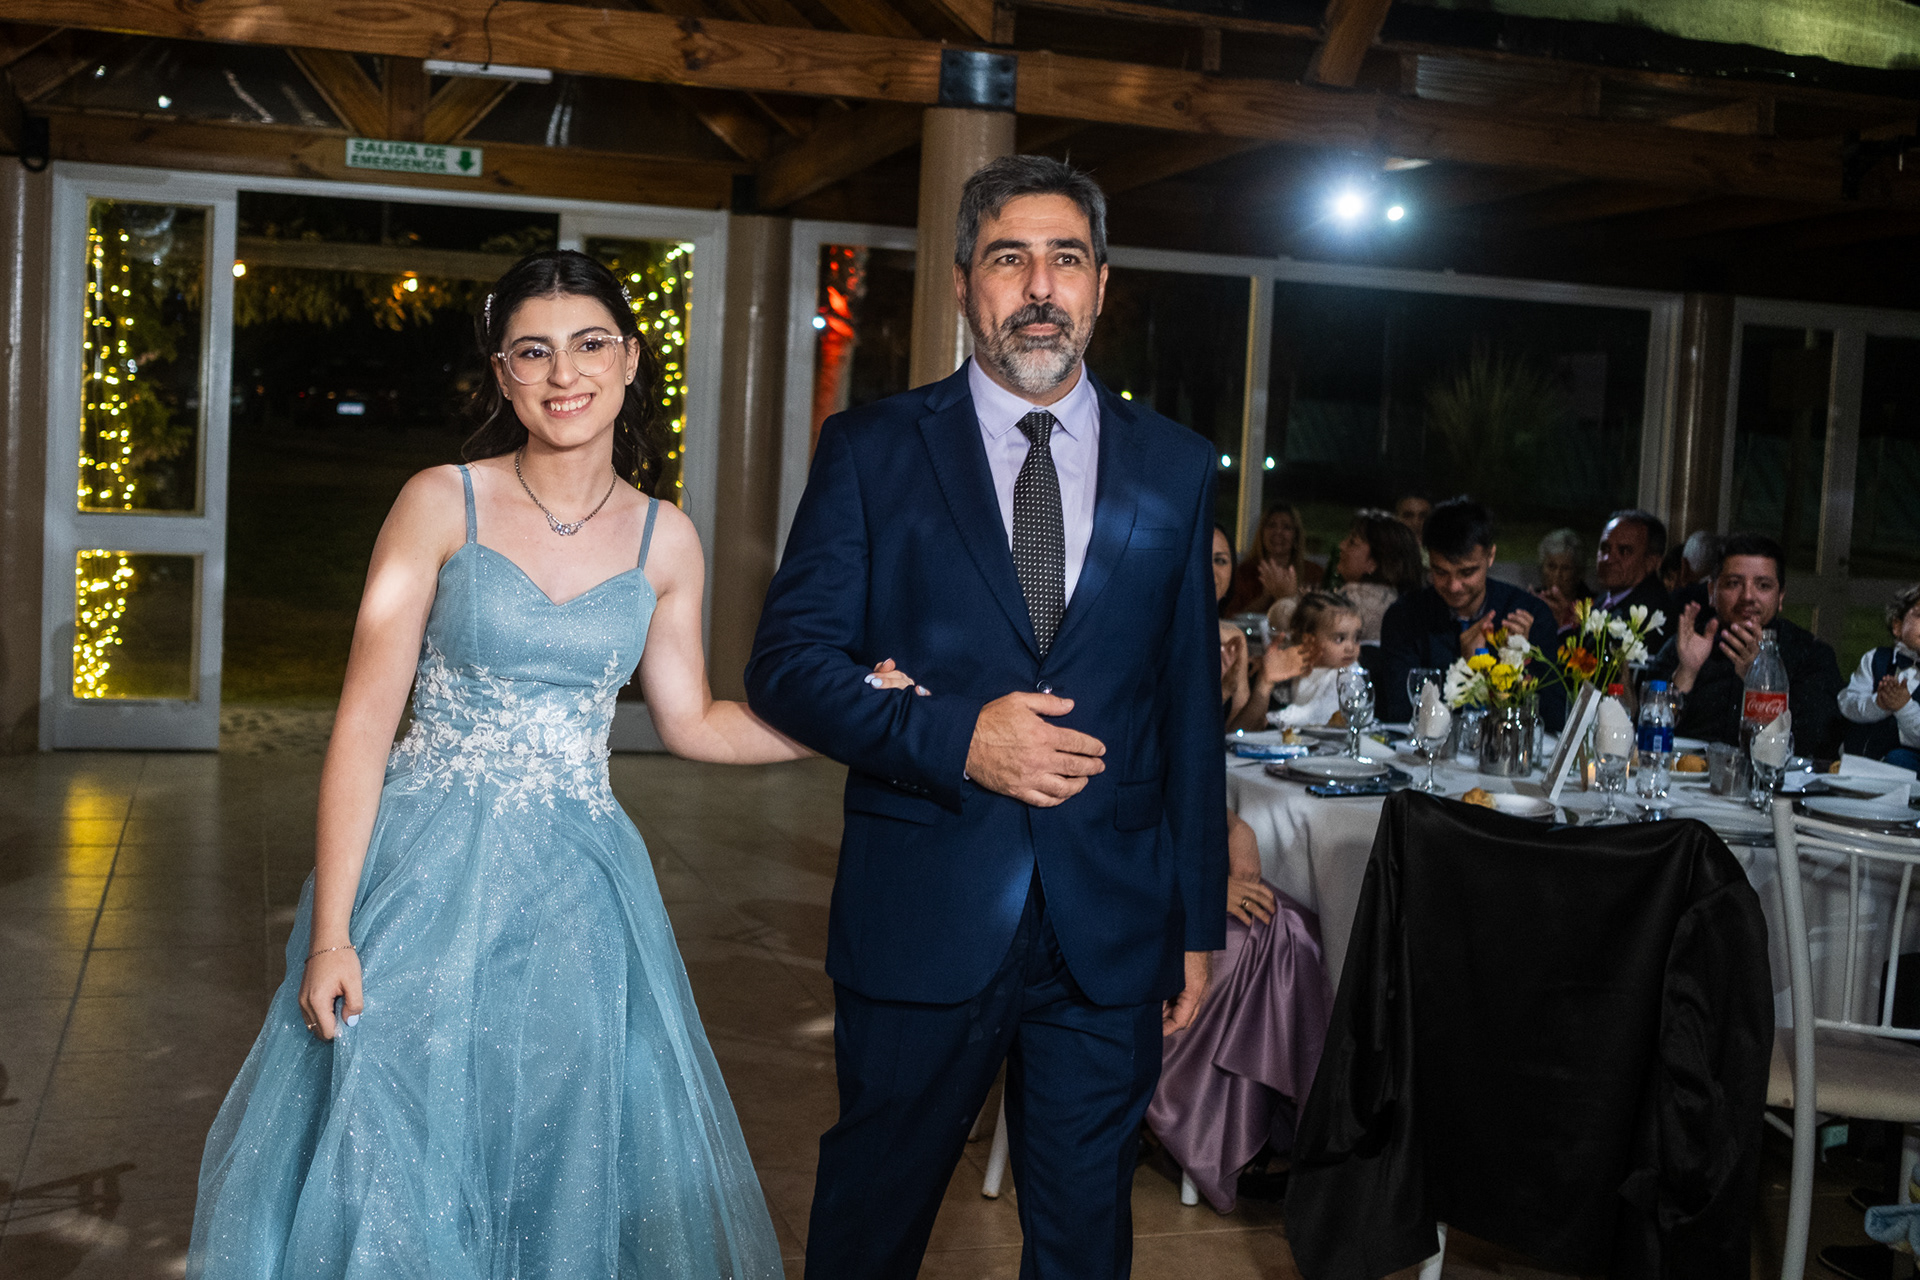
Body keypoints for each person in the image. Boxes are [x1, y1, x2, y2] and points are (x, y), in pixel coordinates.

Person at [187, 251, 803, 1278]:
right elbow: (362, 728)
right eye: (533, 351)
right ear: (503, 374)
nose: (565, 373)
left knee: (562, 1141)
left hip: (580, 893)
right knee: (397, 1136)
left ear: (630, 359)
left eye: (589, 344)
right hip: (423, 873)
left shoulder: (666, 540)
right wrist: (331, 934)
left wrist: (845, 721)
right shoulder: (441, 502)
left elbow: (694, 721)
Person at [745, 155, 1226, 1280]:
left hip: (1110, 926)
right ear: (964, 282)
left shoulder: (1174, 464)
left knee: (1085, 1240)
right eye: (1011, 258)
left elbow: (1187, 710)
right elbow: (788, 666)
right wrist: (959, 737)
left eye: (1067, 259)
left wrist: (1195, 923)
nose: (1041, 286)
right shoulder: (872, 450)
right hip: (925, 904)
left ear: (1101, 284)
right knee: (872, 1225)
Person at [1645, 532, 1843, 758]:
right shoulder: (1686, 645)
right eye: (1734, 584)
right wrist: (1686, 673)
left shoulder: (1811, 655)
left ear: (1780, 597)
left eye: (1763, 585)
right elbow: (1646, 735)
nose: (1748, 596)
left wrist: (1760, 683)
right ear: (1712, 593)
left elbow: (1816, 745)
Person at [1377, 497, 1563, 726]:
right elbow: (1402, 715)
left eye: (1467, 572)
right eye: (1441, 572)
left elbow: (1554, 717)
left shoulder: (1529, 615)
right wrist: (1467, 669)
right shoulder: (1405, 616)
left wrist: (1517, 662)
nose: (1454, 586)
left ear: (1490, 556)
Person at [1539, 510, 1671, 648]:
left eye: (1624, 551)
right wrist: (1563, 622)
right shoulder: (1608, 597)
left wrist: (1564, 626)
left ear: (1652, 562)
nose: (1608, 559)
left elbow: (1589, 658)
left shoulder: (1649, 614)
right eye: (1605, 548)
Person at [1837, 582, 1920, 772]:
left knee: (1900, 759)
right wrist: (1879, 704)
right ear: (1897, 626)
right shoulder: (1876, 659)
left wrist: (1904, 707)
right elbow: (1847, 702)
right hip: (1856, 761)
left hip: (1905, 769)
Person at [1329, 508, 1423, 645]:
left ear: (1373, 563)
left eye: (1352, 543)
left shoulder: (1351, 602)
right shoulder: (1409, 606)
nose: (1342, 546)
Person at [1269, 592, 1364, 729]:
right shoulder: (1298, 668)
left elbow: (1320, 713)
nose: (1351, 647)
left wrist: (1277, 717)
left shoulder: (1349, 672)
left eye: (1357, 638)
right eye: (1340, 639)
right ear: (1309, 641)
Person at [1225, 502, 1323, 616]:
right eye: (1271, 525)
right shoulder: (1244, 572)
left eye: (1286, 527)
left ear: (1296, 536)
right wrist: (1265, 597)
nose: (1278, 532)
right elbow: (1230, 618)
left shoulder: (1313, 573)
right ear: (1262, 534)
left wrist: (1288, 597)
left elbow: (1319, 618)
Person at [1533, 528, 1590, 630]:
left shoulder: (1591, 607)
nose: (1557, 575)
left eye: (1565, 568)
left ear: (1578, 573)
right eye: (1551, 566)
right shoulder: (1532, 600)